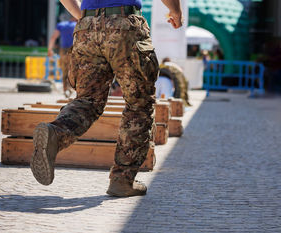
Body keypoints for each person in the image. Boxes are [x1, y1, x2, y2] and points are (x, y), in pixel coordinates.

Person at [30, 0, 182, 197]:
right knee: (139, 104)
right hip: (124, 25)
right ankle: (122, 180)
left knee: (88, 100)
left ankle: (56, 133)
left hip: (86, 27)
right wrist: (175, 11)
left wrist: (83, 17)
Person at [47, 15, 77, 97]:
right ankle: (71, 88)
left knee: (64, 70)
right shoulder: (77, 25)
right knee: (74, 70)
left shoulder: (61, 25)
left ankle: (65, 90)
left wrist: (50, 49)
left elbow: (53, 37)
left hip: (63, 50)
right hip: (75, 50)